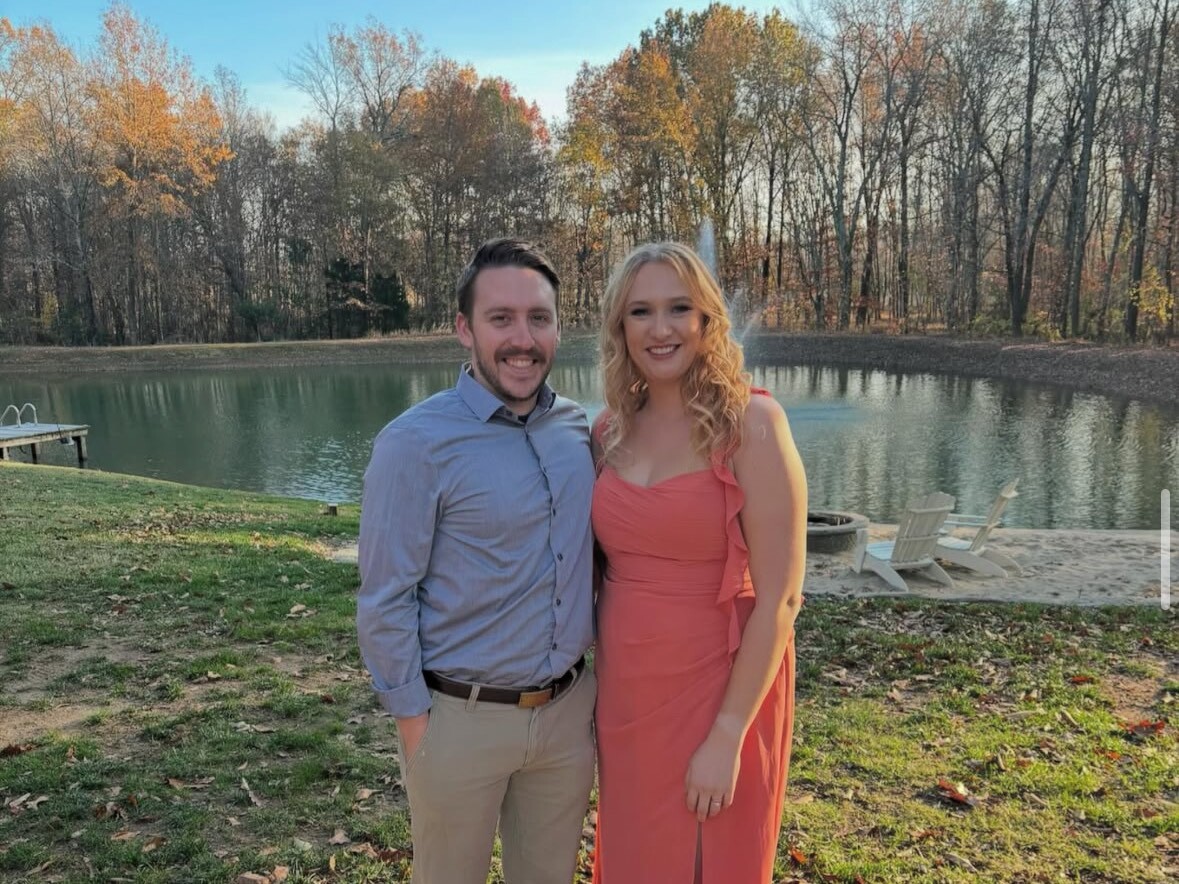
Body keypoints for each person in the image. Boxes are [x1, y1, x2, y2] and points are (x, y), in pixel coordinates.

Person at [356, 237, 597, 884]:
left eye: (538, 318)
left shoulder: (579, 431)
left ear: (557, 327)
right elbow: (384, 597)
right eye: (501, 319)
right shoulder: (414, 444)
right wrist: (417, 727)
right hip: (458, 720)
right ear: (464, 328)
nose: (523, 339)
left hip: (567, 716)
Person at [590, 242, 806, 883]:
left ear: (707, 318)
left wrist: (728, 733)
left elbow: (782, 599)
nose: (661, 329)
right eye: (641, 311)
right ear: (620, 326)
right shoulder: (607, 432)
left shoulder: (753, 424)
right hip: (626, 693)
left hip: (719, 688)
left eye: (679, 308)